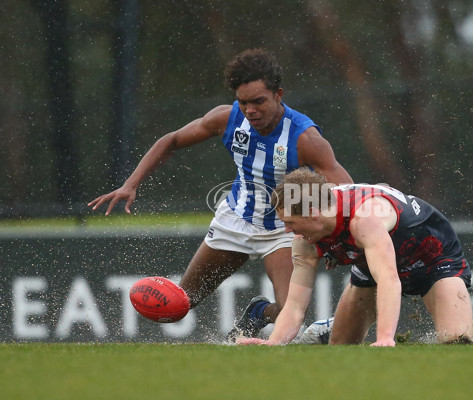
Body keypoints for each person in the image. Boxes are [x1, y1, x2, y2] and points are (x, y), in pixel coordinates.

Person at [88, 49, 352, 341]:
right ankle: (255, 313)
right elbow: (171, 140)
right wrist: (131, 183)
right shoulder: (227, 118)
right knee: (180, 305)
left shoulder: (305, 138)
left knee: (291, 313)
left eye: (258, 101)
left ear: (278, 94)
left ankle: (259, 313)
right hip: (234, 221)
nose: (250, 110)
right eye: (244, 102)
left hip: (282, 230)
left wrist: (336, 239)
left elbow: (346, 193)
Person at [237, 167, 473, 346]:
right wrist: (273, 343)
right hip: (372, 263)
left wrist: (385, 339)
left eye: (290, 222)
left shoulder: (365, 219)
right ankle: (326, 330)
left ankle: (466, 321)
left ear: (312, 213)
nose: (288, 230)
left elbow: (389, 279)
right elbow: (295, 306)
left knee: (457, 340)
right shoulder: (305, 240)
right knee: (341, 347)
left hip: (431, 258)